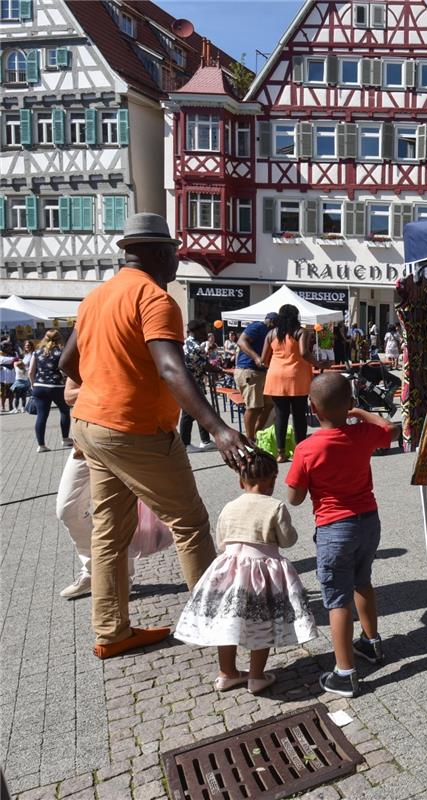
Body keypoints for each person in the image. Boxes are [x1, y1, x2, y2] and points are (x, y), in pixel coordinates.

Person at [60, 212, 252, 659]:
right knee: (189, 523)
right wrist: (218, 428)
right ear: (157, 253)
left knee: (110, 532)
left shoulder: (96, 298)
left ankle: (111, 632)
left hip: (91, 427)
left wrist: (105, 385)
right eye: (173, 254)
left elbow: (69, 363)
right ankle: (215, 625)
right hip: (136, 431)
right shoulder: (154, 298)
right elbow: (170, 367)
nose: (176, 262)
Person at [286, 373, 398, 698]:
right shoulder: (362, 433)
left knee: (336, 600)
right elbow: (390, 430)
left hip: (335, 529)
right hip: (368, 522)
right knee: (363, 582)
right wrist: (360, 412)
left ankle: (345, 673)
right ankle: (371, 643)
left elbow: (294, 497)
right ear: (349, 404)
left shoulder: (307, 448)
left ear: (312, 408)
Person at [174, 449, 317, 695]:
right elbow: (287, 539)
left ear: (241, 481)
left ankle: (227, 673)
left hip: (229, 570)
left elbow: (221, 540)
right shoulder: (275, 506)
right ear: (273, 480)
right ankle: (256, 676)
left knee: (228, 622)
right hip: (262, 573)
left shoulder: (230, 506)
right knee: (262, 622)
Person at [56, 377, 137, 599]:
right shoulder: (84, 346)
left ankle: (120, 576)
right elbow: (69, 395)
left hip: (123, 437)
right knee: (67, 509)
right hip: (83, 442)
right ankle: (93, 570)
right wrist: (108, 388)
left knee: (114, 513)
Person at [262, 304, 319, 461]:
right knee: (299, 415)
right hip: (297, 377)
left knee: (281, 415)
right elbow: (303, 352)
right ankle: (300, 451)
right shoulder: (301, 332)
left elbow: (263, 359)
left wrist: (276, 366)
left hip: (275, 377)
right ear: (296, 316)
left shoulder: (272, 333)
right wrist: (319, 364)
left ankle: (281, 453)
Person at [235, 312, 277, 441]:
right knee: (253, 407)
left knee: (269, 404)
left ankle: (257, 433)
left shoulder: (271, 332)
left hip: (263, 372)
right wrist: (256, 357)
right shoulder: (257, 327)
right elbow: (241, 341)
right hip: (249, 370)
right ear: (270, 321)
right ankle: (249, 439)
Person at [30, 328, 71, 453]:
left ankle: (41, 445)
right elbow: (64, 370)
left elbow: (31, 371)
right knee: (64, 411)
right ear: (59, 338)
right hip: (57, 387)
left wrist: (33, 385)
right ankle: (65, 438)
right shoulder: (61, 352)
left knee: (42, 416)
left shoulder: (36, 352)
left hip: (39, 386)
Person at [180, 319, 217, 453]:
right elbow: (205, 365)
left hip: (191, 382)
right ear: (197, 331)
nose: (206, 333)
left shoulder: (187, 343)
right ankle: (185, 443)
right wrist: (220, 370)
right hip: (193, 383)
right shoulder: (195, 347)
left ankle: (205, 440)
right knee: (188, 413)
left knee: (200, 410)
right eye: (204, 330)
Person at [10, 345, 30, 412]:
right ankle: (23, 408)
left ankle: (16, 408)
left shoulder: (17, 369)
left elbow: (15, 363)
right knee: (23, 397)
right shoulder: (26, 370)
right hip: (25, 384)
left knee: (17, 397)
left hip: (18, 384)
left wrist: (17, 359)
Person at [0, 339, 15, 413]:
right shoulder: (0, 354)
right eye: (7, 346)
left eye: (9, 346)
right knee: (3, 393)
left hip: (11, 375)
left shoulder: (14, 354)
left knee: (11, 392)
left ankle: (11, 406)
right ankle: (2, 406)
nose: (9, 348)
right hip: (3, 377)